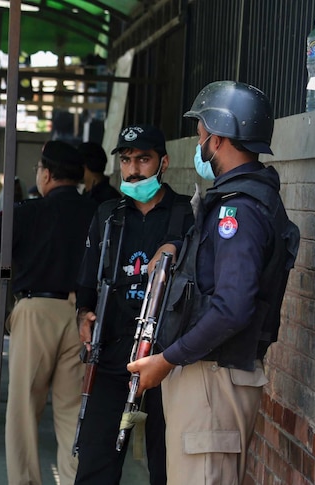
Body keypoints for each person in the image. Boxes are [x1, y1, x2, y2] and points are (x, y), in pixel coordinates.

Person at [128, 81, 300, 485]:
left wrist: (167, 360)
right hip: (207, 375)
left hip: (212, 379)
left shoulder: (238, 211)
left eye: (201, 132)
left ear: (218, 139)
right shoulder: (237, 200)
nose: (199, 141)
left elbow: (233, 306)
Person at [0, 140, 97, 485]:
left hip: (36, 311)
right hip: (82, 315)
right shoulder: (95, 212)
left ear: (48, 174)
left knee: (24, 409)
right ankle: (72, 479)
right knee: (71, 412)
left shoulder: (29, 211)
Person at [74, 125, 194, 485]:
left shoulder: (187, 214)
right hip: (112, 358)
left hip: (167, 363)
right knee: (96, 466)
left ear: (164, 162)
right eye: (126, 160)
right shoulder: (109, 215)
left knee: (167, 469)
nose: (134, 168)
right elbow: (87, 281)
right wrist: (83, 313)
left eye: (144, 159)